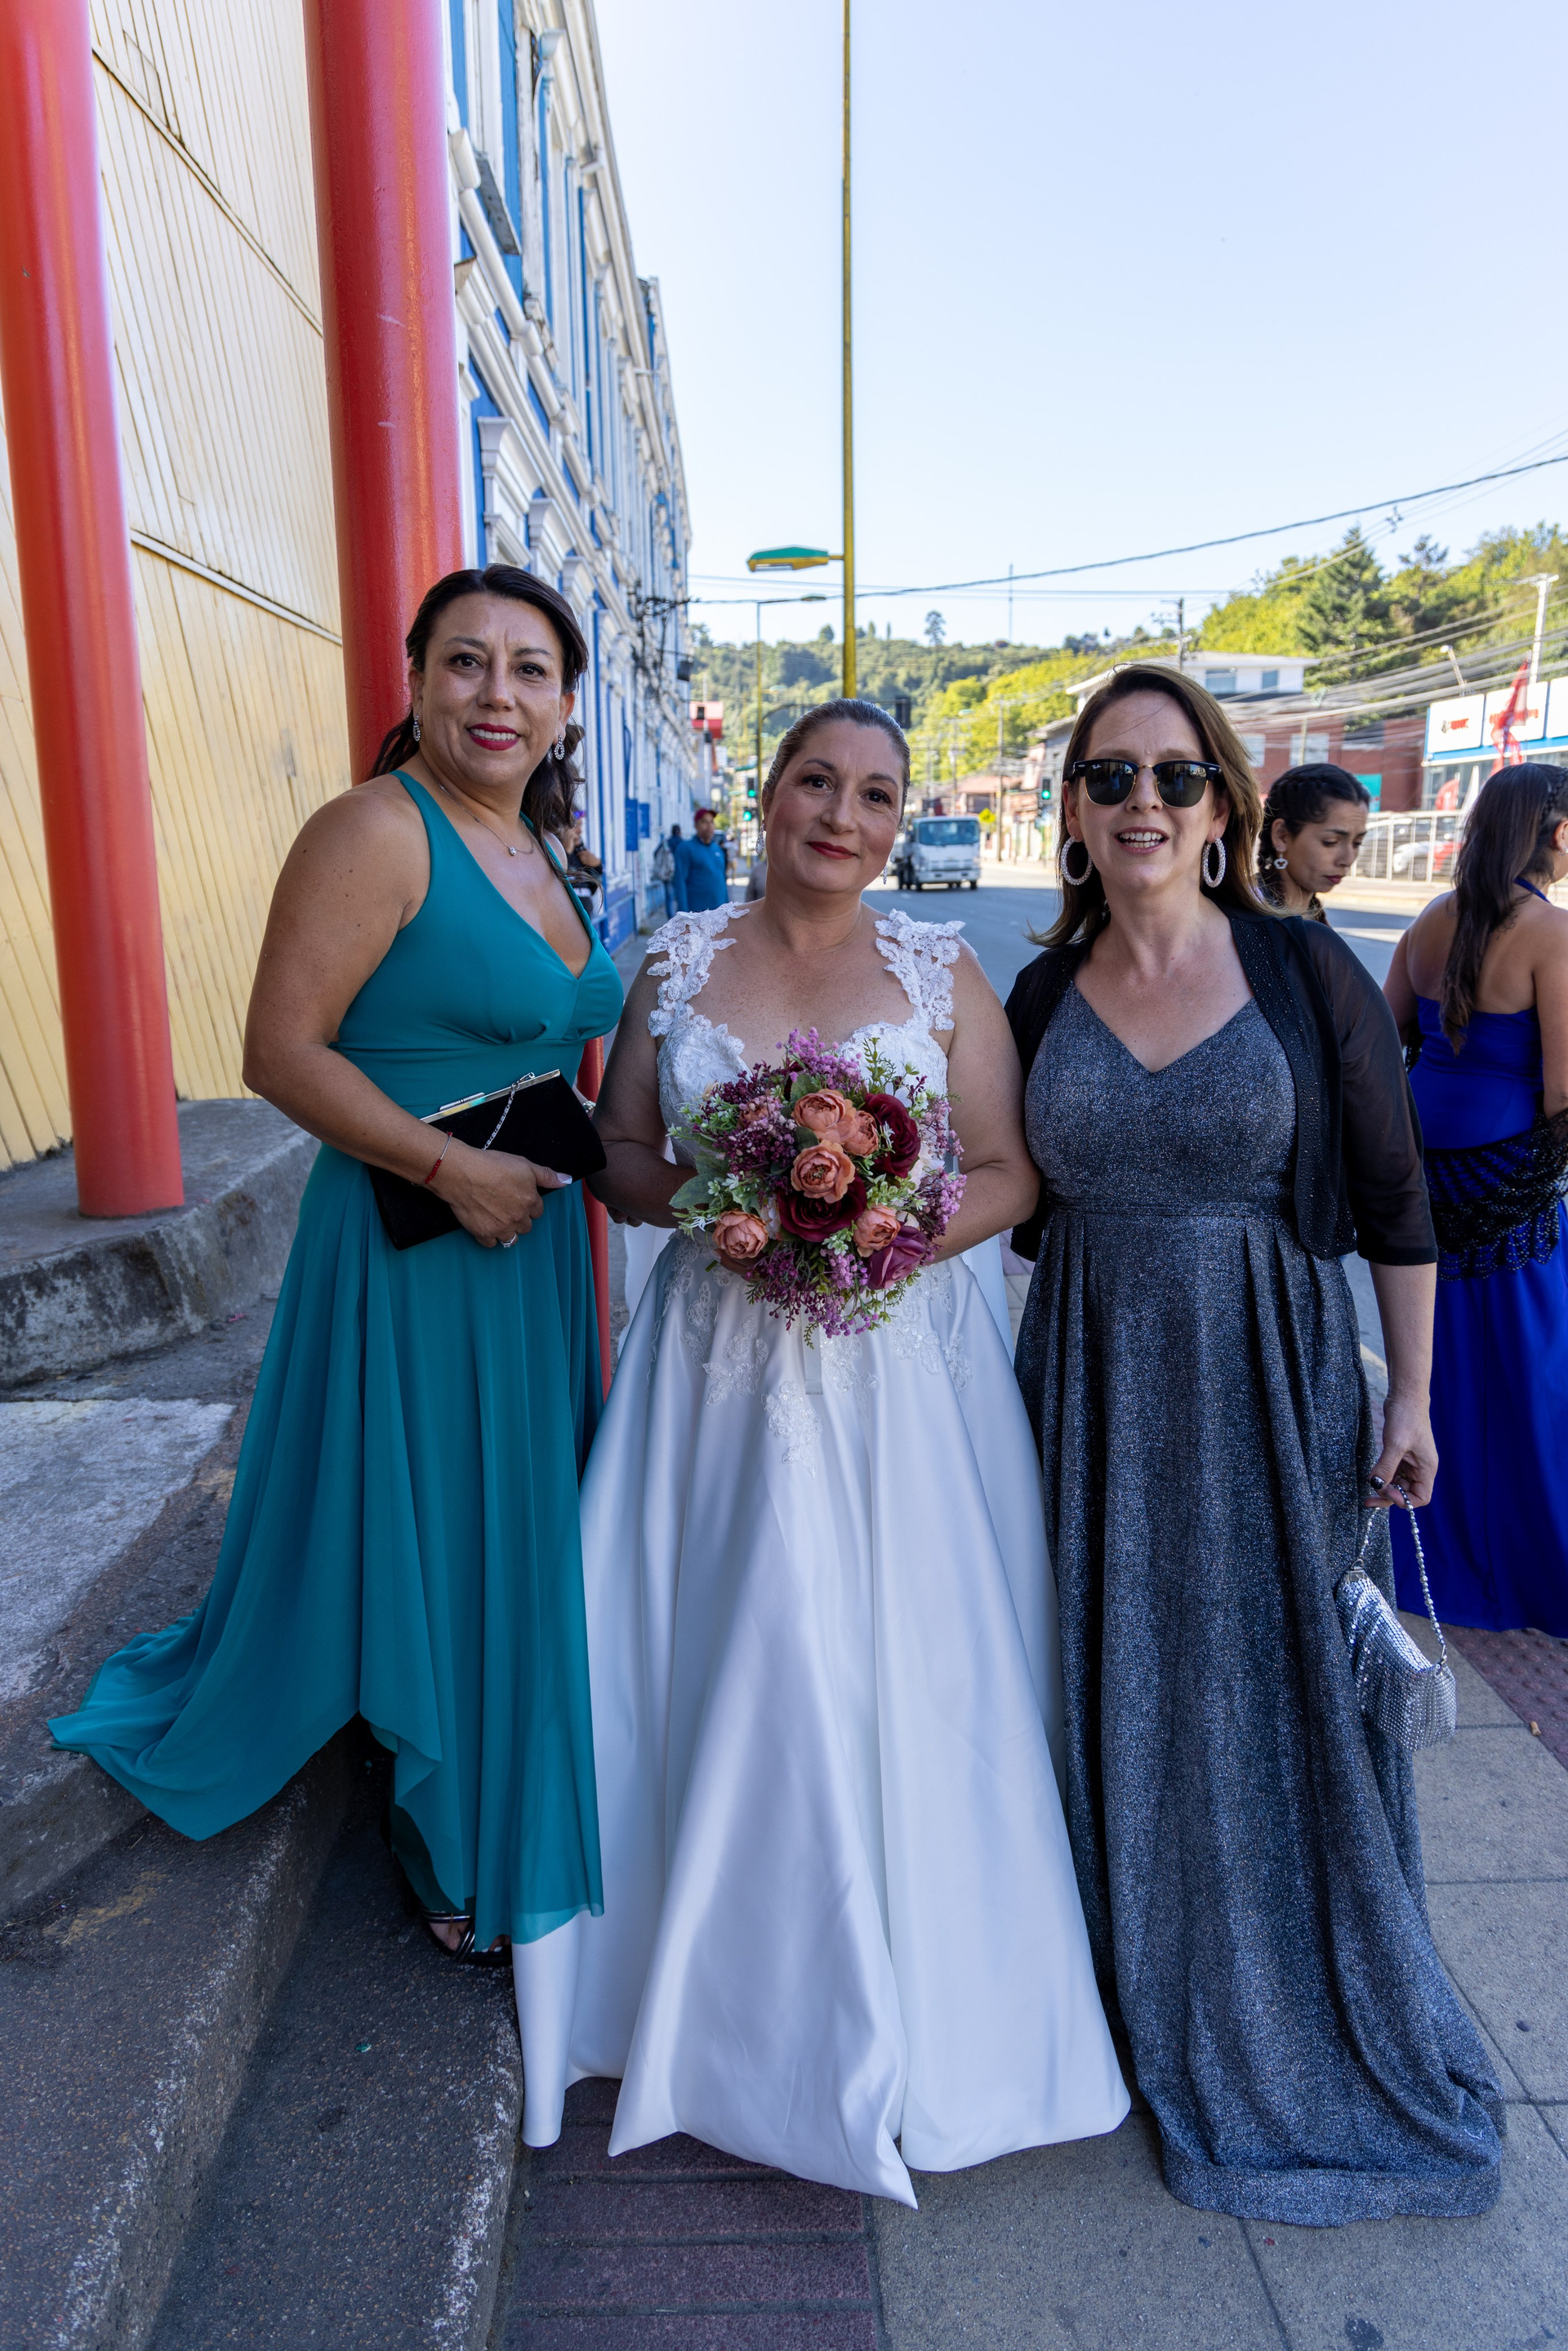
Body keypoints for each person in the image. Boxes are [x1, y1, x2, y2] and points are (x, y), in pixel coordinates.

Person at [50, 567, 624, 2144]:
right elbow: (277, 1049)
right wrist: (452, 1170)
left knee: (515, 1532)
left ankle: (509, 1775)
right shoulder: (376, 830)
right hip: (417, 1241)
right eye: (467, 662)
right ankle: (452, 1831)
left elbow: (549, 1046)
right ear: (417, 678)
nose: (497, 693)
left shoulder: (540, 845)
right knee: (443, 1527)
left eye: (529, 668)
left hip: (532, 1249)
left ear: (565, 701)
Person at [556, 697, 1129, 2203]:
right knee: (708, 1637)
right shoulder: (676, 960)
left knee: (910, 1661)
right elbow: (621, 1151)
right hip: (712, 1366)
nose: (845, 816)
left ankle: (929, 1989)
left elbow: (1005, 1171)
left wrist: (875, 1237)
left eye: (878, 795)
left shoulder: (942, 969)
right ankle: (705, 1983)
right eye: (818, 780)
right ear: (767, 792)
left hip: (898, 1374)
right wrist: (723, 1204)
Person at [1005, 661, 1502, 2224]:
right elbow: (984, 1193)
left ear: (1222, 802)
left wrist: (1410, 1398)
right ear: (1073, 808)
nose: (1141, 801)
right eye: (1109, 776)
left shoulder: (1299, 967)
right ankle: (1118, 1972)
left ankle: (1287, 1992)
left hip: (1273, 1377)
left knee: (1271, 1684)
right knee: (1110, 1675)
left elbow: (1395, 1194)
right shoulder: (1039, 994)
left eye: (1173, 774)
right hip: (1087, 1382)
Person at [1383, 762, 1568, 1632]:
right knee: (1533, 1369)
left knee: (1440, 1368)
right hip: (1510, 1180)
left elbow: (1382, 1040)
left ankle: (1437, 1562)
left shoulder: (1430, 918)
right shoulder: (1551, 932)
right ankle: (1532, 1567)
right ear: (1556, 833)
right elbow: (1563, 1092)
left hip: (1428, 1168)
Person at [1256, 761, 1373, 918]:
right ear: (1282, 836)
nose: (1347, 860)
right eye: (1331, 842)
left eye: (1357, 843)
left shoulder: (1315, 920)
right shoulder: (1238, 918)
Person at [672, 804, 729, 911]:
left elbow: (722, 881)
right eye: (704, 822)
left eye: (711, 822)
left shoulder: (717, 850)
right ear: (696, 825)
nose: (709, 826)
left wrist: (728, 909)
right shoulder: (685, 848)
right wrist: (683, 914)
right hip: (697, 913)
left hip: (719, 912)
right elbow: (680, 882)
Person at [651, 825, 678, 919]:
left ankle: (671, 918)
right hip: (679, 874)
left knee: (669, 896)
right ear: (680, 832)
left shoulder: (666, 842)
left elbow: (655, 853)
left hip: (667, 873)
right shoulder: (683, 843)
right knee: (680, 896)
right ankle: (681, 917)